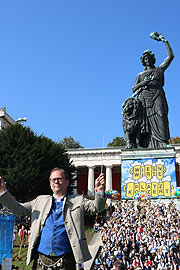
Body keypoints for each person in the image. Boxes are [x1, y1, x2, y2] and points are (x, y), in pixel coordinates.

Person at [0, 168, 106, 270]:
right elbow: (18, 209)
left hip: (66, 260)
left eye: (59, 178)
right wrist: (3, 193)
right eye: (53, 179)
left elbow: (97, 207)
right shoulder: (39, 201)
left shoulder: (78, 200)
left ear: (67, 182)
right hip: (41, 259)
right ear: (50, 184)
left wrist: (99, 191)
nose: (56, 181)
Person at [132, 32, 174, 148]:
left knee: (161, 115)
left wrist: (165, 41)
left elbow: (170, 57)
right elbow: (133, 88)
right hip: (144, 99)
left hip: (157, 95)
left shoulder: (159, 69)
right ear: (143, 61)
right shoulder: (140, 75)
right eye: (145, 58)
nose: (147, 60)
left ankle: (163, 143)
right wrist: (143, 83)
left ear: (152, 59)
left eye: (149, 58)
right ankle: (146, 145)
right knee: (145, 123)